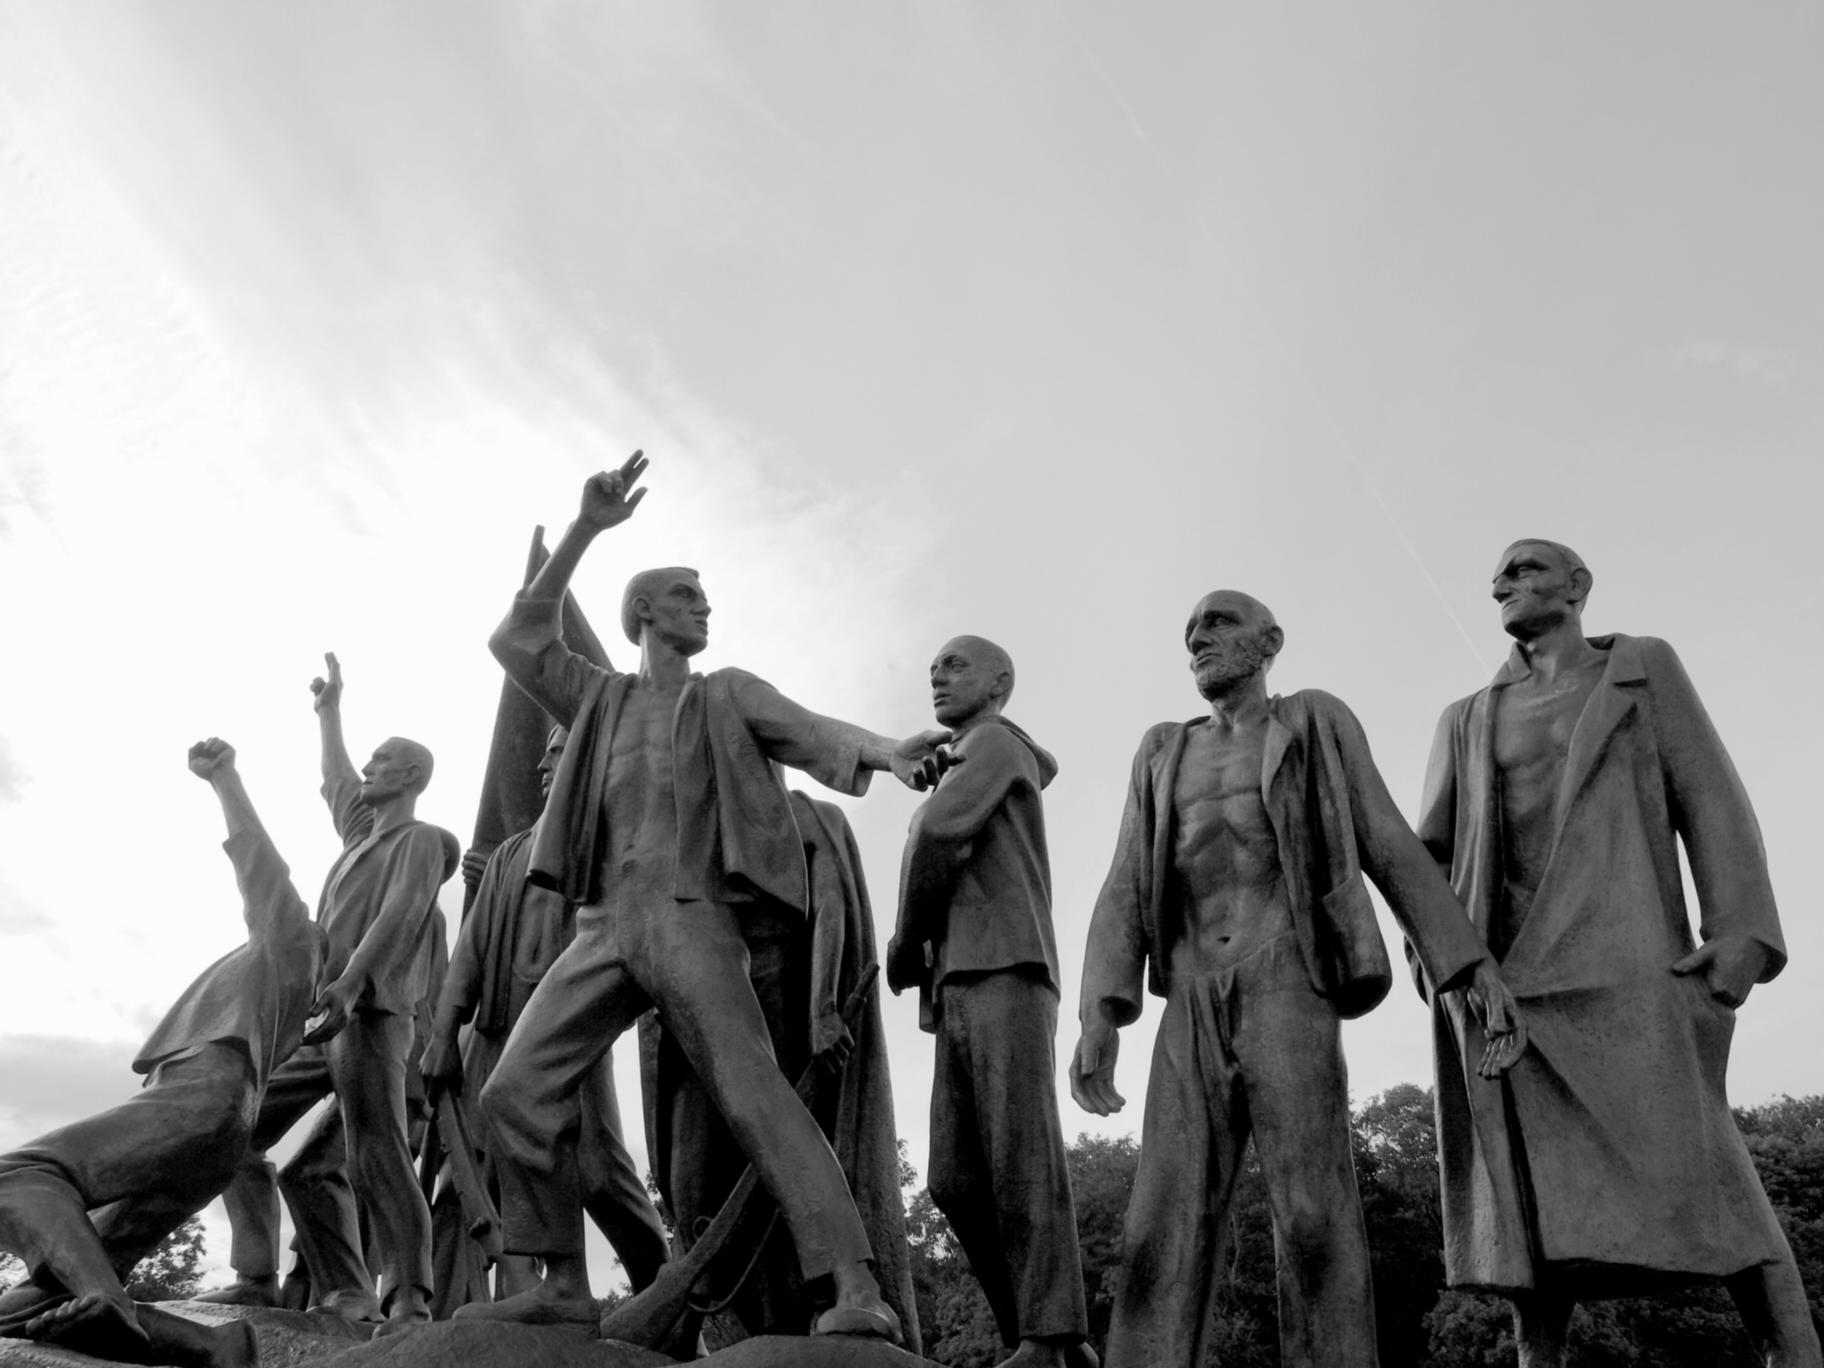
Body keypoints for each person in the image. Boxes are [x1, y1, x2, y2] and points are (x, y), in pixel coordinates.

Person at [459, 453, 952, 1342]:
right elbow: (517, 640)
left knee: (752, 1087)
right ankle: (563, 1283)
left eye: (704, 597)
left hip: (691, 916)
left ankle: (850, 1283)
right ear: (644, 611)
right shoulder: (597, 697)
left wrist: (889, 751)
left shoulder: (729, 693)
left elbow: (812, 734)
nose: (704, 607)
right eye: (687, 595)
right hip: (605, 923)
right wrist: (584, 532)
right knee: (513, 1092)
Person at [1071, 590, 1525, 1368]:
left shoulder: (1312, 719)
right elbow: (1122, 883)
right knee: (1160, 1222)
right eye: (1190, 632)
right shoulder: (1160, 749)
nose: (1198, 639)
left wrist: (1467, 966)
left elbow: (1384, 834)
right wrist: (1098, 1014)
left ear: (1269, 640)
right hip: (1188, 988)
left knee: (1312, 1215)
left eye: (1218, 623)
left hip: (1285, 976)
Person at [1418, 540, 1821, 1368]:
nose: (1503, 582)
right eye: (1498, 575)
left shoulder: (1641, 669)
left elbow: (1708, 790)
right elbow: (1427, 853)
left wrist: (1740, 933)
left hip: (1627, 957)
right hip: (1506, 980)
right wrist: (1441, 963)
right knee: (1530, 1210)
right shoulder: (1465, 717)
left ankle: (1795, 1353)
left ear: (1577, 586)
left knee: (1712, 1172)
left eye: (1526, 567)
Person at [0, 737, 319, 1368]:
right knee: (39, 1297)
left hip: (199, 1094)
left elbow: (263, 869)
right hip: (216, 1132)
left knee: (18, 1176)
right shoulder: (282, 986)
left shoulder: (290, 943)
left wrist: (225, 781)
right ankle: (212, 1346)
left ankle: (105, 1301)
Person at [203, 655, 456, 1334]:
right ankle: (259, 1274)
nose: (367, 769)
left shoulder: (423, 841)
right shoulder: (359, 840)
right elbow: (335, 780)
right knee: (233, 1126)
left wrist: (353, 980)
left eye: (382, 760)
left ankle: (407, 1298)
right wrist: (329, 712)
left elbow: (402, 912)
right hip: (322, 1019)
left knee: (373, 1152)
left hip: (371, 1013)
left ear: (410, 776)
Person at [887, 636, 1093, 1368]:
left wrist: (904, 942)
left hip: (1006, 961)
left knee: (1020, 1157)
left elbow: (934, 831)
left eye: (956, 664)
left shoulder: (996, 743)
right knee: (954, 1179)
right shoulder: (972, 753)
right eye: (933, 666)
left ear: (1000, 683)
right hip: (963, 978)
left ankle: (1051, 1333)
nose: (937, 675)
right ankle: (1036, 1338)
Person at [420, 725, 668, 1313]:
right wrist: (442, 1033)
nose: (542, 765)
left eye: (557, 752)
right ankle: (541, 1290)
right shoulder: (510, 852)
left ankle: (667, 1295)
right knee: (492, 1165)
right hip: (498, 1030)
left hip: (573, 1029)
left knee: (599, 1172)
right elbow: (472, 953)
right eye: (543, 752)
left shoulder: (604, 833)